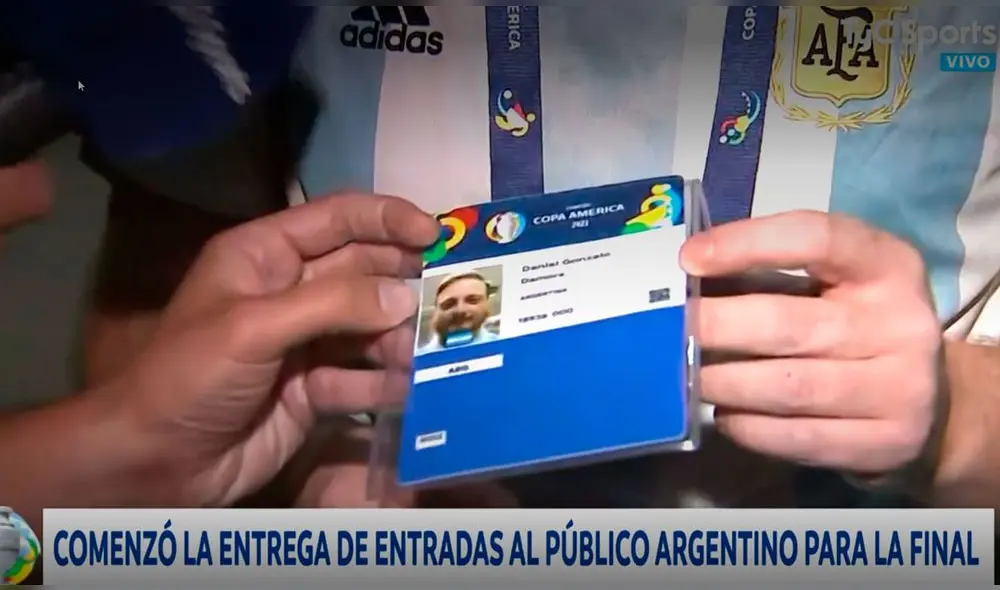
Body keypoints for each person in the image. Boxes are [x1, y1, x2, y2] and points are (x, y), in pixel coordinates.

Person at [419, 272, 499, 354]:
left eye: (472, 300)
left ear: (487, 304)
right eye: (449, 304)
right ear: (436, 312)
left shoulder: (502, 348)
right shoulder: (414, 361)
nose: (460, 310)